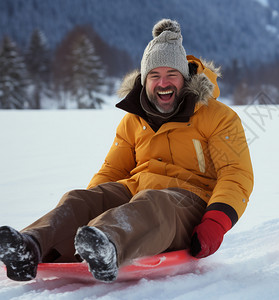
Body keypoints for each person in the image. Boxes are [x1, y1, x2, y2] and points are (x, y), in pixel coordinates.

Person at [0, 19, 254, 282]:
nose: (163, 83)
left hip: (188, 201)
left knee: (155, 203)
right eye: (154, 76)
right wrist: (91, 207)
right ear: (144, 80)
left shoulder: (220, 117)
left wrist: (216, 221)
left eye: (171, 75)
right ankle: (29, 247)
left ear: (185, 78)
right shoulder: (133, 120)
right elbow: (113, 170)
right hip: (136, 190)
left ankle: (106, 243)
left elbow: (235, 174)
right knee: (80, 198)